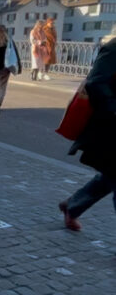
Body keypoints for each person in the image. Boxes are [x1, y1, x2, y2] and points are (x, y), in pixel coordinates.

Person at [59, 27, 116, 231]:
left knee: (111, 175)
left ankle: (73, 206)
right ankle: (72, 206)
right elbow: (96, 82)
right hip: (111, 127)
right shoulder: (114, 48)